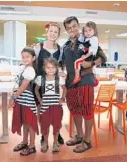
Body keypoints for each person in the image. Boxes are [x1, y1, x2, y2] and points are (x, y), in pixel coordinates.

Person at [60, 16, 107, 153]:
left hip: (85, 80)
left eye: (74, 26)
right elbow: (60, 63)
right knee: (74, 109)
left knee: (86, 110)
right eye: (69, 28)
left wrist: (91, 63)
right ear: (66, 30)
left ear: (78, 25)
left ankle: (87, 141)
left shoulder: (88, 40)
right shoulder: (65, 46)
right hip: (70, 83)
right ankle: (79, 136)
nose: (72, 29)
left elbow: (103, 57)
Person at [33, 22, 65, 145]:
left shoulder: (60, 49)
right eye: (51, 31)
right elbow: (33, 63)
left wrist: (62, 73)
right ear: (47, 32)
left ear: (58, 34)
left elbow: (61, 66)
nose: (53, 34)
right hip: (41, 85)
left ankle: (58, 133)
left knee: (56, 111)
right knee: (42, 111)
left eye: (55, 32)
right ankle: (44, 135)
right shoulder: (38, 47)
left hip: (55, 85)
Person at [9, 47, 38, 156]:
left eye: (28, 57)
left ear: (33, 58)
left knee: (30, 123)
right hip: (21, 100)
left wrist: (13, 98)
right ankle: (25, 142)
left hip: (27, 101)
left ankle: (32, 146)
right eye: (23, 57)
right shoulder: (23, 68)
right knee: (25, 123)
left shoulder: (30, 70)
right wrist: (13, 95)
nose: (25, 59)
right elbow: (16, 85)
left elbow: (23, 87)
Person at [35, 58, 66, 153]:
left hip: (56, 107)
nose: (50, 70)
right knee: (45, 126)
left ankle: (55, 143)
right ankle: (45, 143)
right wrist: (40, 99)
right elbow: (36, 90)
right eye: (48, 67)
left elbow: (65, 89)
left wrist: (62, 98)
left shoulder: (59, 79)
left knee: (56, 126)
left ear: (56, 68)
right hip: (45, 108)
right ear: (44, 68)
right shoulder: (40, 79)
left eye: (53, 67)